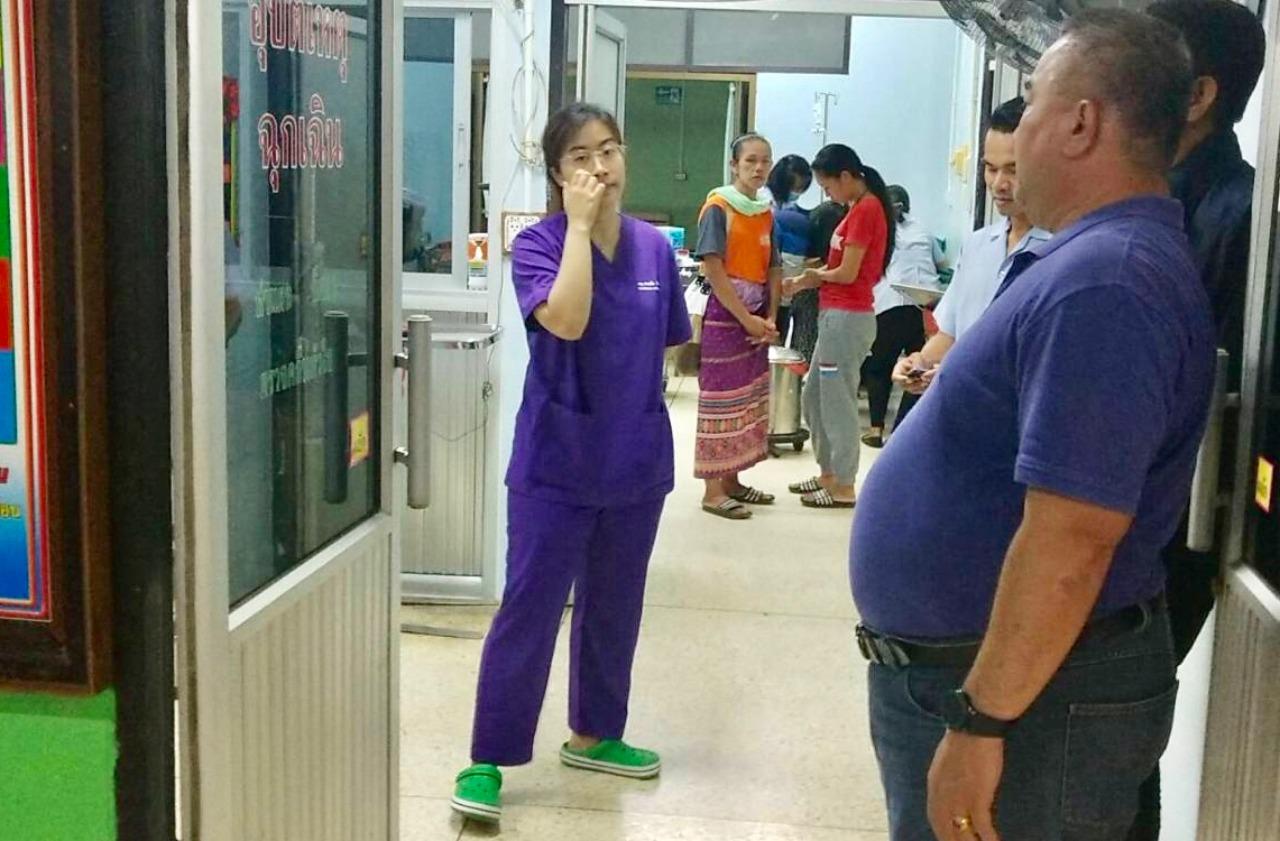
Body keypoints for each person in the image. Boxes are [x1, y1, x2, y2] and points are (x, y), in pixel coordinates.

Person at [851, 11, 1214, 839]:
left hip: (1030, 707)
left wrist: (980, 718)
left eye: (1034, 100)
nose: (1020, 132)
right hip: (1011, 684)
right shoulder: (1093, 260)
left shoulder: (1106, 283)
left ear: (1081, 122)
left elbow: (1072, 537)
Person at [451, 103, 691, 824]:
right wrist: (581, 230)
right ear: (557, 174)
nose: (600, 167)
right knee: (529, 607)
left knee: (615, 604)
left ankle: (595, 733)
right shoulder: (537, 245)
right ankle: (489, 757)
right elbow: (569, 319)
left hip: (634, 459)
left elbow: (669, 342)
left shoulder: (652, 249)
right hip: (557, 461)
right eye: (581, 157)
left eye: (609, 150)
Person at [1132, 3, 1267, 838]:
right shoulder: (1156, 200)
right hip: (1134, 523)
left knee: (1114, 727)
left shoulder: (1232, 216)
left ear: (1197, 95)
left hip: (1159, 535)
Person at [892, 97, 1051, 396]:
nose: (999, 183)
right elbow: (951, 333)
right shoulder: (978, 246)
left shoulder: (1062, 250)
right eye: (991, 168)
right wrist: (920, 363)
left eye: (1013, 170)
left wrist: (959, 372)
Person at [784, 144, 895, 509]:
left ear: (846, 176)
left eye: (828, 186)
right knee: (814, 395)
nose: (827, 194)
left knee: (836, 401)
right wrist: (806, 279)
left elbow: (847, 273)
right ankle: (828, 473)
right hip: (834, 316)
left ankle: (844, 484)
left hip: (847, 319)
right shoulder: (855, 209)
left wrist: (813, 277)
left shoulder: (867, 210)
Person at [694, 133, 783, 520]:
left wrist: (771, 317)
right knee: (720, 401)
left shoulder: (765, 211)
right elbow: (713, 267)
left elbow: (774, 266)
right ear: (734, 165)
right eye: (750, 161)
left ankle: (732, 480)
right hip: (727, 317)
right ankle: (713, 491)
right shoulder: (718, 207)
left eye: (765, 161)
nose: (759, 168)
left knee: (748, 400)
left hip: (757, 318)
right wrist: (746, 319)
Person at [859, 185, 941, 448]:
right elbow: (940, 263)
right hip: (924, 305)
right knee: (919, 370)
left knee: (879, 367)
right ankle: (905, 430)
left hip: (890, 304)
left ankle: (875, 430)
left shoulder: (880, 230)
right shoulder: (923, 230)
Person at [767, 154, 814, 345]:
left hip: (784, 285)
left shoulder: (791, 211)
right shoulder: (763, 201)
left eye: (802, 188)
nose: (797, 192)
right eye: (795, 187)